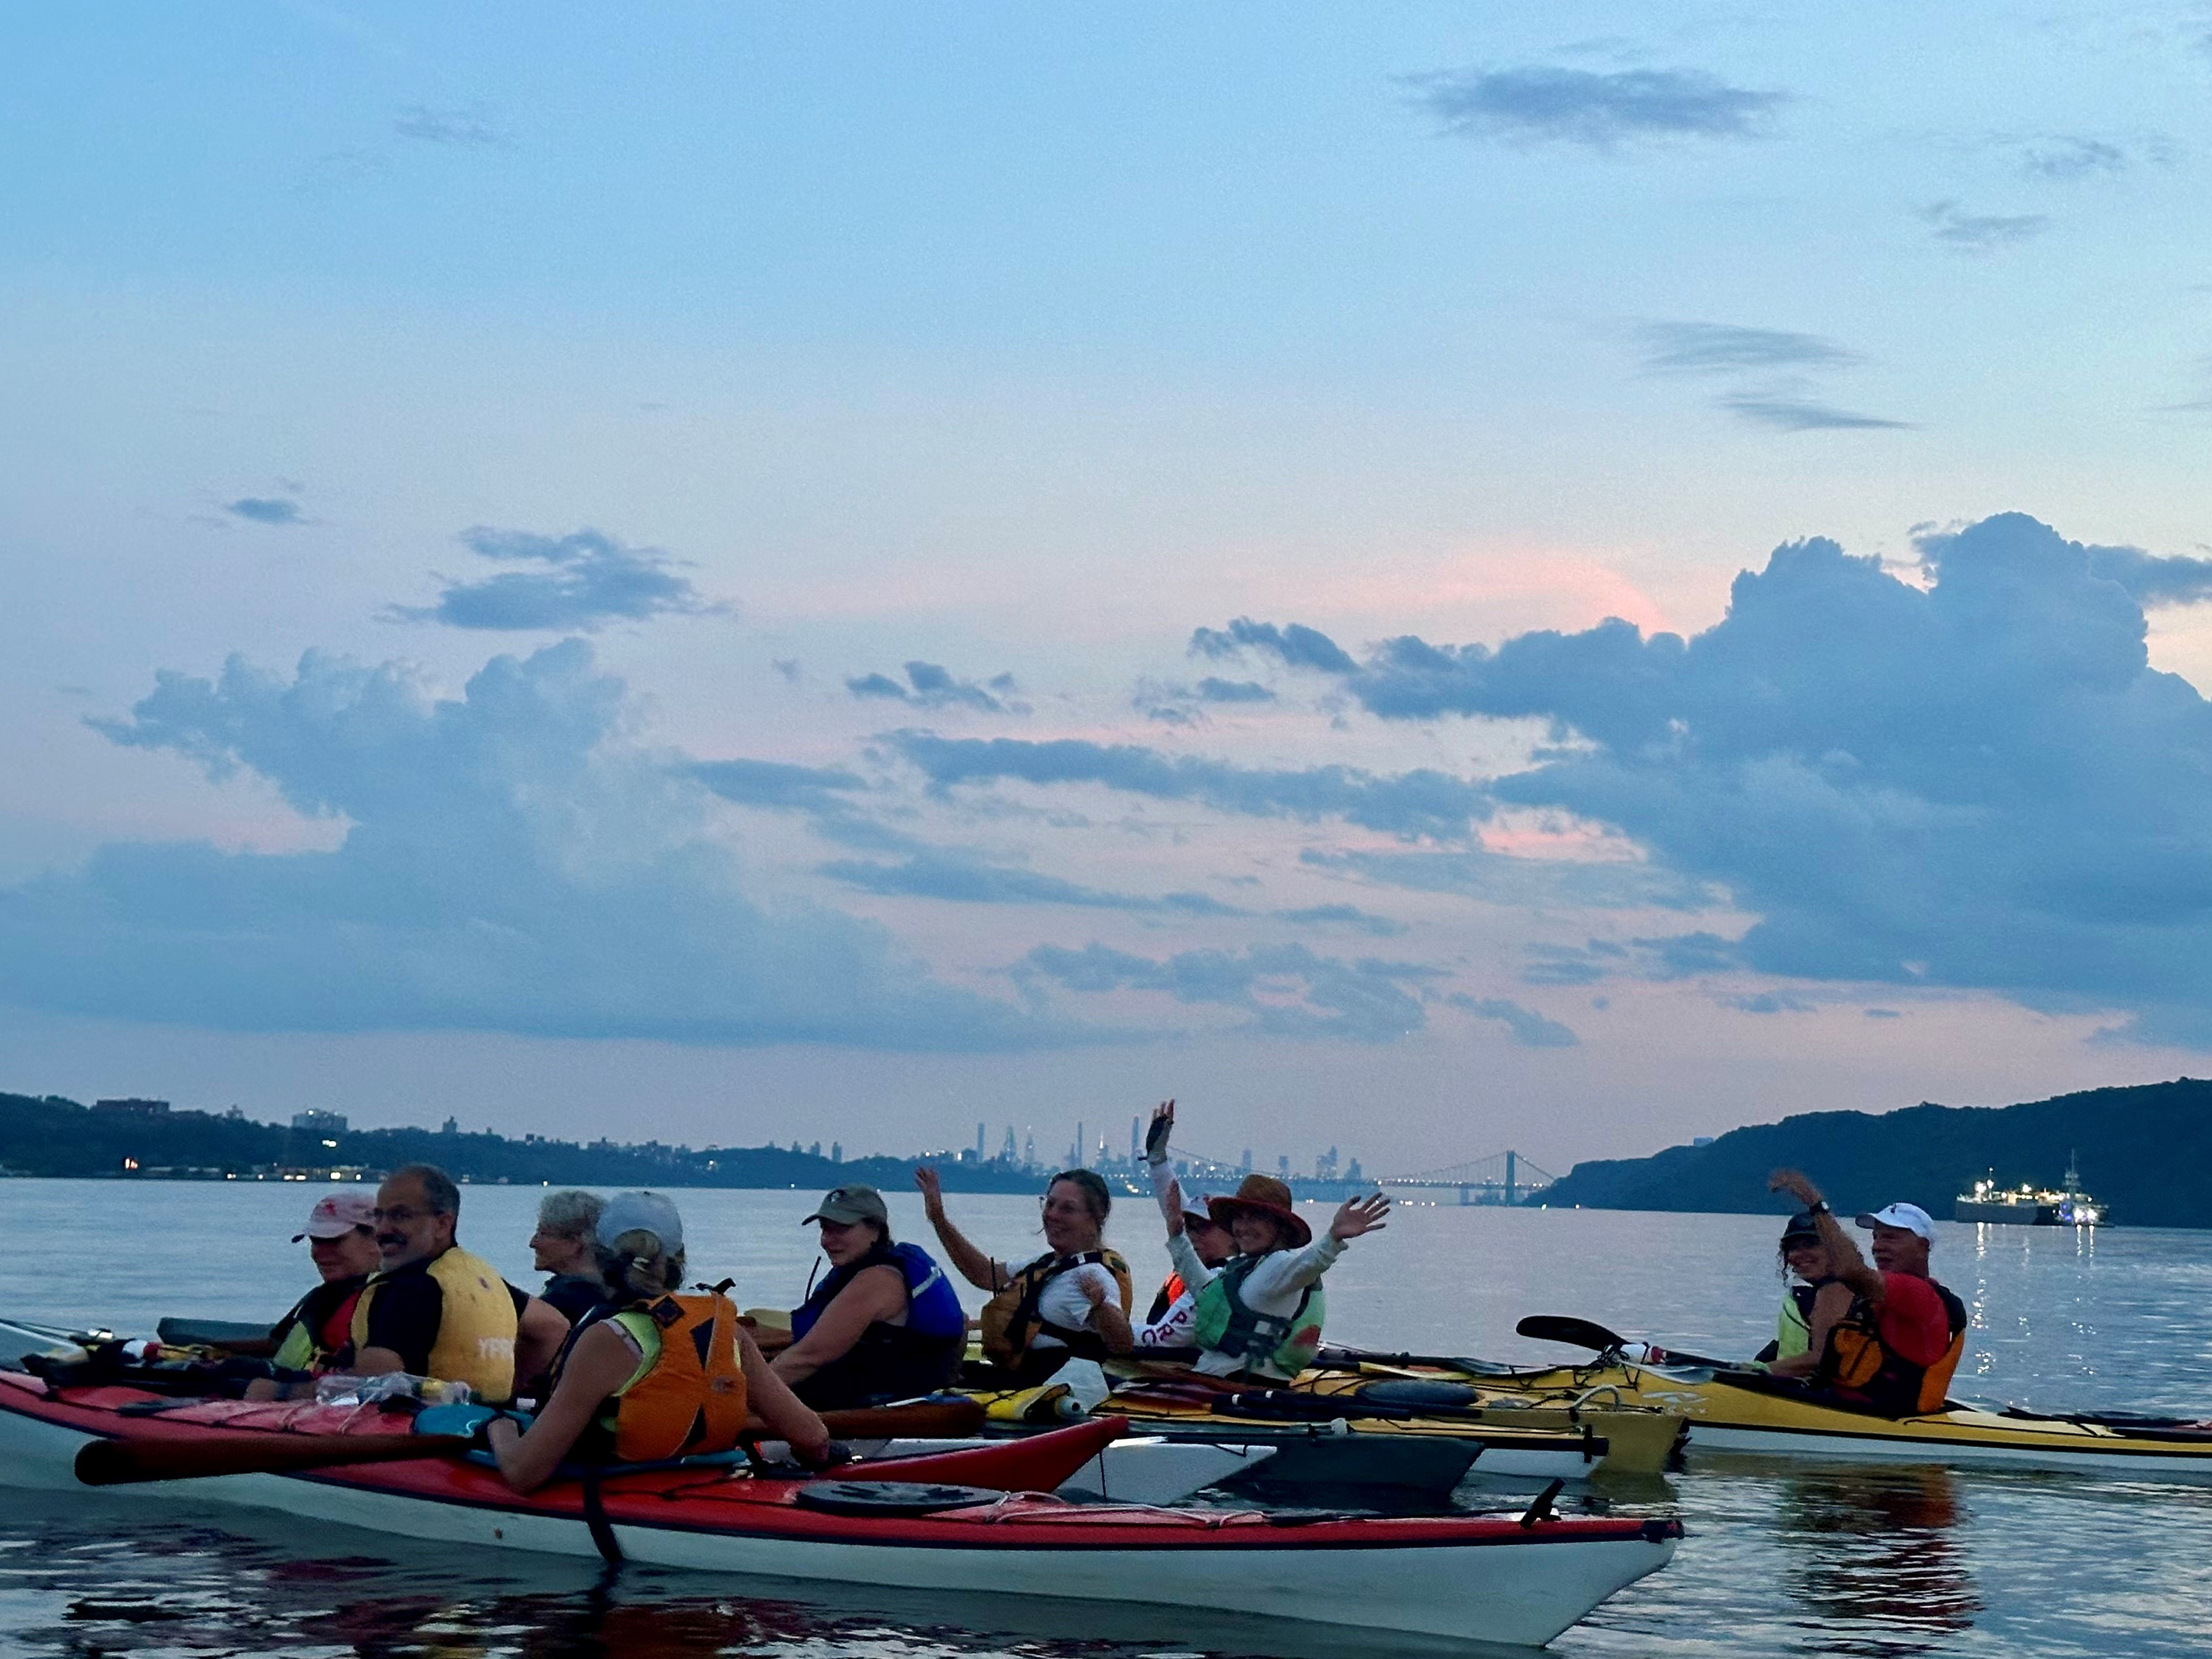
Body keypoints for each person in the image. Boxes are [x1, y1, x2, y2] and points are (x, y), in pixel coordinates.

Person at [481, 1191, 832, 1492]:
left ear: (600, 1257)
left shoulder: (607, 1339)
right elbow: (814, 1439)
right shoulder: (727, 1334)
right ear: (678, 1261)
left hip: (617, 1497)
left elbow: (524, 1474)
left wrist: (498, 1425)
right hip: (712, 1486)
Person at [1144, 1100, 1389, 1383]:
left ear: (1280, 1228)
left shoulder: (1280, 1267)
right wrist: (1159, 1165)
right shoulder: (1243, 1269)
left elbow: (1309, 1265)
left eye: (1255, 1219)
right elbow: (1202, 1288)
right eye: (1239, 1218)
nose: (1243, 1227)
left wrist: (1333, 1239)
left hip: (1245, 1391)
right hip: (1214, 1385)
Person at [349, 1163, 568, 1405]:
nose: (382, 1230)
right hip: (486, 1428)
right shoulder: (482, 1279)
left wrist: (308, 1388)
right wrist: (509, 1393)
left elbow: (374, 1385)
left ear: (443, 1224)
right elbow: (553, 1326)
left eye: (401, 1216)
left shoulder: (406, 1289)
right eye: (378, 1216)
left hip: (420, 1434)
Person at [1768, 1169, 1969, 1415]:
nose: (1878, 1247)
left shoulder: (1916, 1292)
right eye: (1876, 1237)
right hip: (1846, 1405)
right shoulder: (1893, 1291)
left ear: (1923, 1246)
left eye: (1891, 1238)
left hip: (1873, 1418)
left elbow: (1850, 1271)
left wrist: (1815, 1203)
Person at [915, 1162, 1134, 1384]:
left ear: (1096, 1218)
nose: (1052, 1215)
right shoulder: (1045, 1264)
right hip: (1020, 1375)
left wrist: (1101, 1305)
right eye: (1050, 1204)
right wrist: (938, 1219)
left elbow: (1122, 1345)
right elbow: (983, 1274)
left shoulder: (1094, 1275)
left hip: (1051, 1386)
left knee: (935, 1377)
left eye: (1067, 1209)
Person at [773, 1185, 967, 1408]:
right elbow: (961, 1321)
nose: (826, 1240)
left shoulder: (876, 1280)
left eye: (841, 1229)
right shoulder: (876, 1269)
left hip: (872, 1411)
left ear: (876, 1230)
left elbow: (807, 1358)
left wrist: (741, 1393)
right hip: (893, 1395)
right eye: (825, 1229)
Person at [1134, 1120, 1234, 1350]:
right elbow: (1174, 1209)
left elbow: (1159, 1339)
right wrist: (1157, 1160)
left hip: (1178, 1367)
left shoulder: (1218, 1281)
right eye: (1190, 1226)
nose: (1193, 1234)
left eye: (1204, 1227)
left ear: (1233, 1236)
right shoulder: (1195, 1268)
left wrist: (1102, 1325)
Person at [268, 1190, 382, 1372]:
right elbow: (277, 1348)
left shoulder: (389, 1302)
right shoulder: (325, 1297)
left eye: (334, 1240)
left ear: (376, 1238)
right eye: (316, 1241)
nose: (319, 1253)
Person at [1752, 1211, 1846, 1375]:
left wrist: (1763, 1369)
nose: (1800, 1254)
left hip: (1814, 1397)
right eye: (1794, 1248)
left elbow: (1822, 1358)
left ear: (1834, 1250)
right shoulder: (1805, 1296)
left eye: (1811, 1244)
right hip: (1787, 1389)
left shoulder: (1840, 1292)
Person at [530, 1190, 612, 1324]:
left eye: (542, 1234)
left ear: (575, 1243)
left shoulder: (563, 1299)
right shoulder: (616, 1293)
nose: (533, 1243)